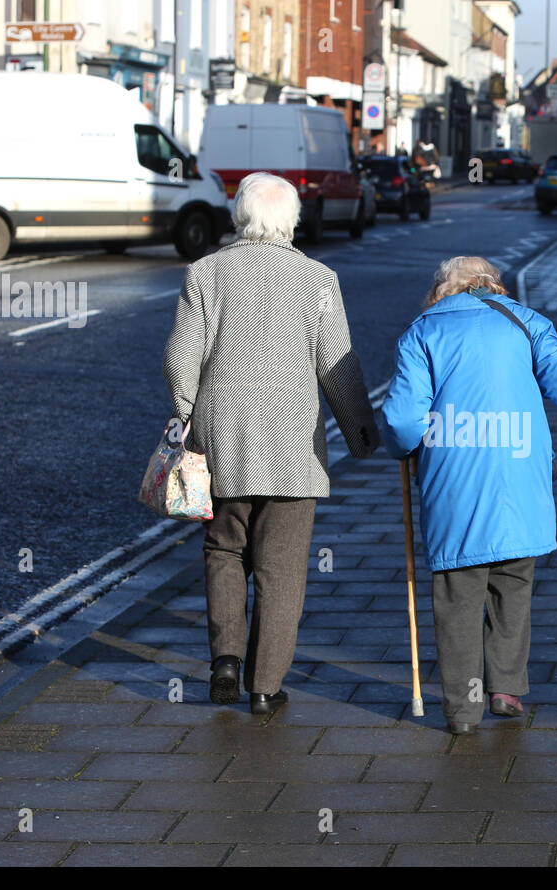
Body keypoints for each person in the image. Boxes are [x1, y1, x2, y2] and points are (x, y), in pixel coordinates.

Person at [163, 172, 379, 716]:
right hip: (293, 451)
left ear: (240, 216)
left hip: (224, 441)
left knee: (224, 549)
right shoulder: (318, 280)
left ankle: (225, 662)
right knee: (282, 568)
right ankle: (264, 687)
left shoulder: (207, 274)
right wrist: (359, 433)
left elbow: (179, 359)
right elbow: (339, 368)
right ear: (292, 222)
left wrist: (188, 416)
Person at [381, 257, 557, 735]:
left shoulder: (423, 332)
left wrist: (401, 445)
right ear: (493, 285)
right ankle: (505, 688)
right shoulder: (526, 323)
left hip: (455, 486)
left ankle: (463, 710)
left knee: (459, 595)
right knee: (514, 584)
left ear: (443, 289)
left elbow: (401, 422)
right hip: (519, 480)